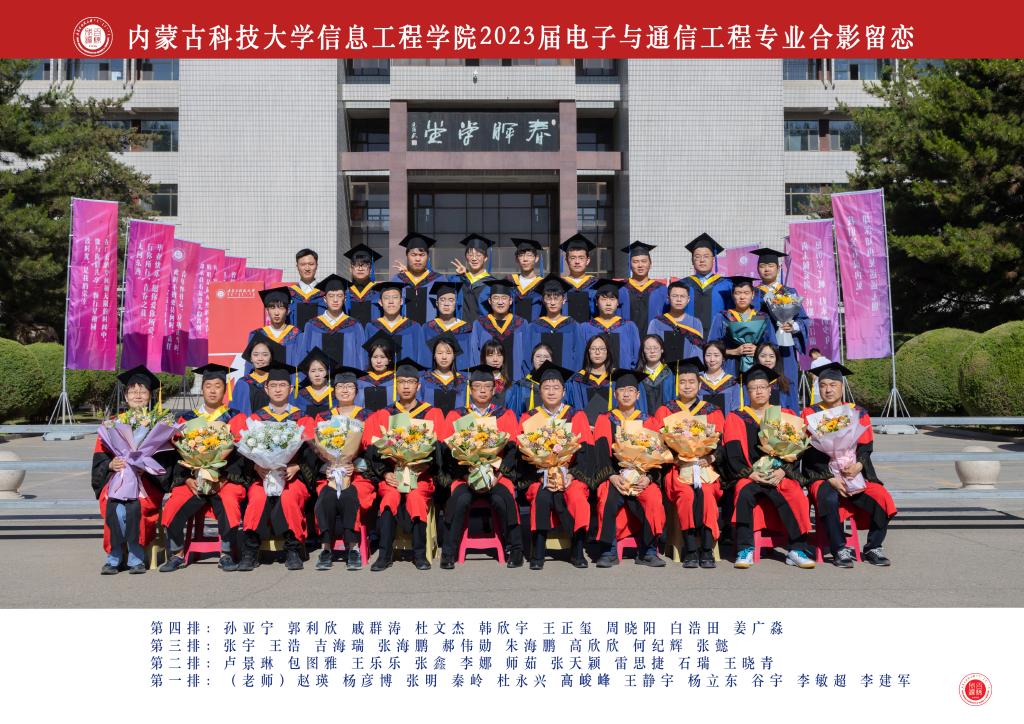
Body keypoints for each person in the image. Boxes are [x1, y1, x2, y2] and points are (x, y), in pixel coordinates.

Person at [801, 362, 897, 567]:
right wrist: (830, 478)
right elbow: (808, 452)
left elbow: (866, 447)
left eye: (833, 385)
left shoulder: (857, 412)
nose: (828, 389)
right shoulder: (810, 413)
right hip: (822, 474)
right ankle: (839, 549)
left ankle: (873, 547)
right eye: (823, 385)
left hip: (854, 472)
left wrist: (858, 466)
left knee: (882, 497)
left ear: (842, 387)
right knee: (828, 497)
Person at [360, 358, 452, 572]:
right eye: (402, 382)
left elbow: (440, 448)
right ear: (396, 385)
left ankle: (419, 555)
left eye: (411, 382)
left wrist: (423, 468)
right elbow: (371, 448)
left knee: (416, 498)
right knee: (389, 498)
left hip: (421, 476)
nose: (406, 386)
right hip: (392, 475)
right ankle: (384, 555)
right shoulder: (384, 414)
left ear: (418, 386)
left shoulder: (432, 413)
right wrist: (385, 473)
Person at [723, 364, 815, 570]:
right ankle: (745, 548)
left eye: (762, 387)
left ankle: (796, 549)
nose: (758, 391)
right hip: (750, 475)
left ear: (770, 389)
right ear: (747, 391)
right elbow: (732, 452)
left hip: (779, 473)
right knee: (743, 492)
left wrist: (783, 470)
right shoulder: (736, 417)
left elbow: (798, 448)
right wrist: (750, 474)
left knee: (794, 492)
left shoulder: (785, 414)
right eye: (753, 388)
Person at [159, 364, 249, 573]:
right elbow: (177, 454)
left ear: (225, 390)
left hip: (224, 480)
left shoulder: (236, 418)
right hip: (192, 479)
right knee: (173, 504)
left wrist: (223, 479)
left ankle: (226, 553)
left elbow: (241, 455)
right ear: (202, 389)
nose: (213, 390)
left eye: (218, 386)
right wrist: (186, 478)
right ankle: (176, 554)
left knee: (229, 500)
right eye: (208, 386)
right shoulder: (186, 419)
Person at [438, 364, 526, 569]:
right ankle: (448, 552)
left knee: (503, 498)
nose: (483, 390)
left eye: (487, 386)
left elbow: (512, 450)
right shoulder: (457, 415)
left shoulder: (504, 414)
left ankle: (516, 549)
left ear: (494, 390)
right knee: (459, 500)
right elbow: (448, 451)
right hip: (465, 477)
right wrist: (466, 475)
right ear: (470, 390)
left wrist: (497, 476)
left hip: (497, 477)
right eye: (477, 386)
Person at [235, 361, 318, 572]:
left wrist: (297, 466)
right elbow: (246, 450)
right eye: (273, 385)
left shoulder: (303, 418)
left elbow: (313, 452)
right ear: (266, 388)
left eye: (283, 385)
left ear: (290, 389)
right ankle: (251, 549)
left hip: (292, 477)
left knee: (290, 497)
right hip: (262, 476)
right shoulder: (256, 418)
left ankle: (292, 549)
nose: (278, 389)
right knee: (257, 498)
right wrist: (256, 467)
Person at [92, 366, 174, 575]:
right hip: (116, 480)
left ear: (150, 396)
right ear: (126, 396)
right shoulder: (112, 424)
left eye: (143, 391)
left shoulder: (160, 424)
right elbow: (100, 458)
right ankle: (116, 556)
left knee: (135, 508)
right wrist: (110, 465)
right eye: (133, 391)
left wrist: (146, 469)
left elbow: (167, 460)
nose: (138, 395)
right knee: (114, 508)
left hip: (147, 484)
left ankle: (133, 558)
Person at [651, 357, 726, 569]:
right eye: (682, 382)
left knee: (708, 493)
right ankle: (691, 549)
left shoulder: (711, 410)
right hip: (677, 471)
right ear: (677, 385)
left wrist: (710, 458)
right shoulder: (666, 410)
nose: (687, 386)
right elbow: (657, 444)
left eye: (691, 382)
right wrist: (675, 459)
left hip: (705, 469)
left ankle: (707, 548)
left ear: (699, 385)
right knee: (686, 495)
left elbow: (722, 445)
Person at [519, 362, 595, 570]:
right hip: (540, 475)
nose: (551, 392)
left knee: (577, 496)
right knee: (541, 495)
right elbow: (522, 453)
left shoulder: (576, 416)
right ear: (540, 391)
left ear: (564, 391)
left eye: (556, 388)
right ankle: (538, 552)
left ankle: (578, 550)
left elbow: (586, 453)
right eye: (546, 387)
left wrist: (571, 475)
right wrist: (542, 475)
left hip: (571, 475)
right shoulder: (529, 417)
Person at [591, 370, 667, 568]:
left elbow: (658, 454)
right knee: (606, 496)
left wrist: (648, 477)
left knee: (653, 497)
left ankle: (648, 551)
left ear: (638, 395)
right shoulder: (605, 419)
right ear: (615, 394)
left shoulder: (649, 421)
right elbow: (600, 452)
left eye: (631, 390)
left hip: (642, 476)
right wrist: (611, 476)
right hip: (614, 476)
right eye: (622, 390)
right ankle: (608, 550)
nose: (626, 394)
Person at [311, 367, 376, 571]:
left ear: (356, 390)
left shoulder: (367, 416)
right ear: (334, 390)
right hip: (330, 474)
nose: (345, 390)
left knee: (351, 495)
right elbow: (316, 451)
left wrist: (354, 466)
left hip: (358, 476)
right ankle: (326, 548)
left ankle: (353, 548)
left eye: (349, 386)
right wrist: (327, 467)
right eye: (340, 386)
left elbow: (373, 452)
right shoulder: (323, 417)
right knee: (326, 496)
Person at [752, 247, 810, 406]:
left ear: (778, 268)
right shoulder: (752, 294)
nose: (766, 269)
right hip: (760, 349)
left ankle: (789, 417)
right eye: (762, 266)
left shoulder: (789, 292)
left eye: (771, 265)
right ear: (757, 269)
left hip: (785, 349)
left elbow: (804, 320)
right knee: (761, 384)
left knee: (787, 383)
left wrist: (794, 326)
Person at [709, 277, 777, 377]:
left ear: (753, 295)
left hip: (757, 365)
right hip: (730, 366)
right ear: (733, 295)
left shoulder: (762, 317)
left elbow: (773, 345)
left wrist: (759, 350)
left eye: (746, 293)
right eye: (738, 293)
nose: (742, 297)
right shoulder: (723, 317)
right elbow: (711, 346)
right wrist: (733, 351)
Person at [299, 273, 366, 368]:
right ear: (325, 299)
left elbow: (362, 358)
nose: (335, 300)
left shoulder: (354, 326)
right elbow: (304, 357)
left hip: (347, 377)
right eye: (331, 296)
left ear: (345, 299)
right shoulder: (312, 326)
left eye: (339, 295)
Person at [521, 274, 583, 371]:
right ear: (543, 300)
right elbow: (527, 357)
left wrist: (571, 379)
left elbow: (579, 357)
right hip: (539, 379)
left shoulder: (573, 326)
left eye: (556, 298)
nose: (553, 302)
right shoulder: (533, 327)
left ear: (564, 300)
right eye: (548, 298)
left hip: (567, 379)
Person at [470, 278, 528, 379]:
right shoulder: (480, 324)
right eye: (496, 298)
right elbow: (474, 354)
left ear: (510, 300)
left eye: (504, 298)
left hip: (515, 381)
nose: (500, 302)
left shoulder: (521, 324)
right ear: (490, 301)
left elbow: (527, 354)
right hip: (488, 382)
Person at [363, 280, 428, 367]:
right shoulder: (372, 327)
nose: (391, 301)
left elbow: (421, 358)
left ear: (401, 301)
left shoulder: (414, 327)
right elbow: (366, 358)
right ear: (380, 302)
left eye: (395, 297)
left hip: (406, 375)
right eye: (386, 298)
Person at [582, 278, 641, 371]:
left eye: (612, 299)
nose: (608, 303)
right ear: (596, 302)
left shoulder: (629, 327)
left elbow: (636, 356)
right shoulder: (586, 328)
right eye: (603, 299)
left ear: (618, 303)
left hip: (623, 377)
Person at [681, 233, 734, 333]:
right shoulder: (683, 284)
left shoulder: (727, 285)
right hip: (688, 336)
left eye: (706, 256)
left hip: (717, 337)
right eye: (697, 257)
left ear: (713, 259)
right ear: (692, 260)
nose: (702, 260)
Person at [647, 280, 705, 364]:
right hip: (662, 369)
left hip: (686, 370)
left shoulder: (695, 323)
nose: (679, 299)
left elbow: (698, 352)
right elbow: (650, 349)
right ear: (668, 298)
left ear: (688, 299)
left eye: (682, 296)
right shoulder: (656, 323)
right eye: (675, 296)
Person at [423, 279, 474, 371]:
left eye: (451, 300)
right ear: (437, 303)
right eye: (442, 300)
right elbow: (425, 357)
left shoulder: (466, 329)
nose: (446, 304)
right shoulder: (428, 328)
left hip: (461, 376)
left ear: (456, 303)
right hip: (434, 376)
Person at [392, 232, 442, 324]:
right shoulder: (397, 280)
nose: (418, 259)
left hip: (431, 331)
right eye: (413, 255)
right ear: (407, 256)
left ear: (428, 256)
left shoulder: (439, 280)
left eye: (422, 255)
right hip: (404, 330)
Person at [229, 334, 286, 416]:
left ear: (271, 358)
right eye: (256, 355)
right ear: (251, 358)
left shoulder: (278, 382)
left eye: (265, 355)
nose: (260, 359)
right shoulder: (242, 383)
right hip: (247, 424)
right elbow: (234, 412)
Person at [619, 241, 668, 332]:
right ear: (629, 265)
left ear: (650, 264)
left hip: (654, 338)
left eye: (644, 261)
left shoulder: (661, 289)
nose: (640, 265)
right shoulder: (621, 288)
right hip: (627, 336)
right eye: (635, 262)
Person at [570, 333, 620, 421]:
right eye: (593, 349)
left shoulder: (616, 377)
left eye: (602, 348)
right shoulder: (578, 379)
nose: (597, 352)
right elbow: (576, 407)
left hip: (612, 424)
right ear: (588, 352)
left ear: (607, 351)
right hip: (586, 426)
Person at [449, 233, 495, 325]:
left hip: (483, 330)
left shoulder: (492, 284)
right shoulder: (457, 280)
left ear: (485, 258)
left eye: (478, 255)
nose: (474, 258)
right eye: (470, 255)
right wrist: (463, 276)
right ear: (466, 257)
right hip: (459, 330)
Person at [250, 287, 302, 365]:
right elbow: (249, 366)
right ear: (267, 311)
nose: (276, 313)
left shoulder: (296, 335)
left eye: (281, 308)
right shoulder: (257, 335)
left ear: (288, 311)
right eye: (272, 308)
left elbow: (300, 363)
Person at [419, 335, 468, 415]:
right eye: (440, 353)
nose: (444, 357)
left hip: (457, 422)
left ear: (453, 356)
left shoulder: (463, 381)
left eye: (448, 353)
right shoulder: (425, 379)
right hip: (429, 422)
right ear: (434, 356)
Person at [560, 233, 599, 322]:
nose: (577, 262)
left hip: (590, 329)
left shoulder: (596, 284)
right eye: (573, 258)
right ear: (566, 260)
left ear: (587, 260)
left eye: (581, 258)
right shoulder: (560, 285)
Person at [506, 343, 553, 416]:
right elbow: (515, 415)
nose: (542, 360)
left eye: (546, 357)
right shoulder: (522, 386)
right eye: (538, 356)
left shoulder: (562, 385)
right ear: (532, 360)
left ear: (552, 360)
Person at [343, 243, 382, 325]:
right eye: (356, 265)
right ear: (350, 269)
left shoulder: (379, 291)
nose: (360, 268)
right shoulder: (344, 292)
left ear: (370, 269)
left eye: (364, 265)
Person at [636, 334, 676, 413]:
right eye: (648, 348)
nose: (652, 351)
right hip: (644, 418)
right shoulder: (638, 376)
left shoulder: (670, 374)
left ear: (662, 350)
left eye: (656, 348)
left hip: (666, 418)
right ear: (643, 351)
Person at [357, 332, 397, 411]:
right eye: (375, 357)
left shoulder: (396, 380)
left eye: (383, 357)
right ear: (370, 359)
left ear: (389, 359)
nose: (378, 361)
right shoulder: (361, 380)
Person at [698, 341, 741, 413]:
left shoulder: (733, 383)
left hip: (727, 420)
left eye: (716, 355)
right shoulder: (697, 380)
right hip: (701, 420)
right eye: (708, 355)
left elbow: (736, 409)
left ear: (723, 358)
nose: (712, 359)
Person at [293, 347, 335, 419]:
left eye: (321, 370)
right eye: (313, 371)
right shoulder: (300, 395)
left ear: (327, 372)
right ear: (308, 373)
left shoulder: (335, 395)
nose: (317, 374)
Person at [509, 237, 545, 321]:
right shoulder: (509, 282)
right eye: (521, 255)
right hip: (512, 327)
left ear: (536, 258)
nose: (525, 259)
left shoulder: (543, 284)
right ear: (516, 259)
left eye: (529, 255)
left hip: (535, 327)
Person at [754, 342, 798, 411]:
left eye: (771, 356)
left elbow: (793, 411)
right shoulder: (749, 383)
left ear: (776, 359)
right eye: (763, 356)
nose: (767, 360)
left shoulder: (787, 384)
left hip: (781, 417)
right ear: (757, 358)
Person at [288, 248, 325, 328]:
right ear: (297, 267)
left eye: (311, 264)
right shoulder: (289, 294)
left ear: (317, 266)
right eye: (303, 264)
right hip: (295, 335)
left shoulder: (326, 293)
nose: (307, 268)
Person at [478, 339, 510, 408]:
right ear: (484, 358)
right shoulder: (475, 385)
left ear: (503, 359)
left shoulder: (512, 387)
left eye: (499, 355)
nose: (495, 359)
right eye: (490, 355)